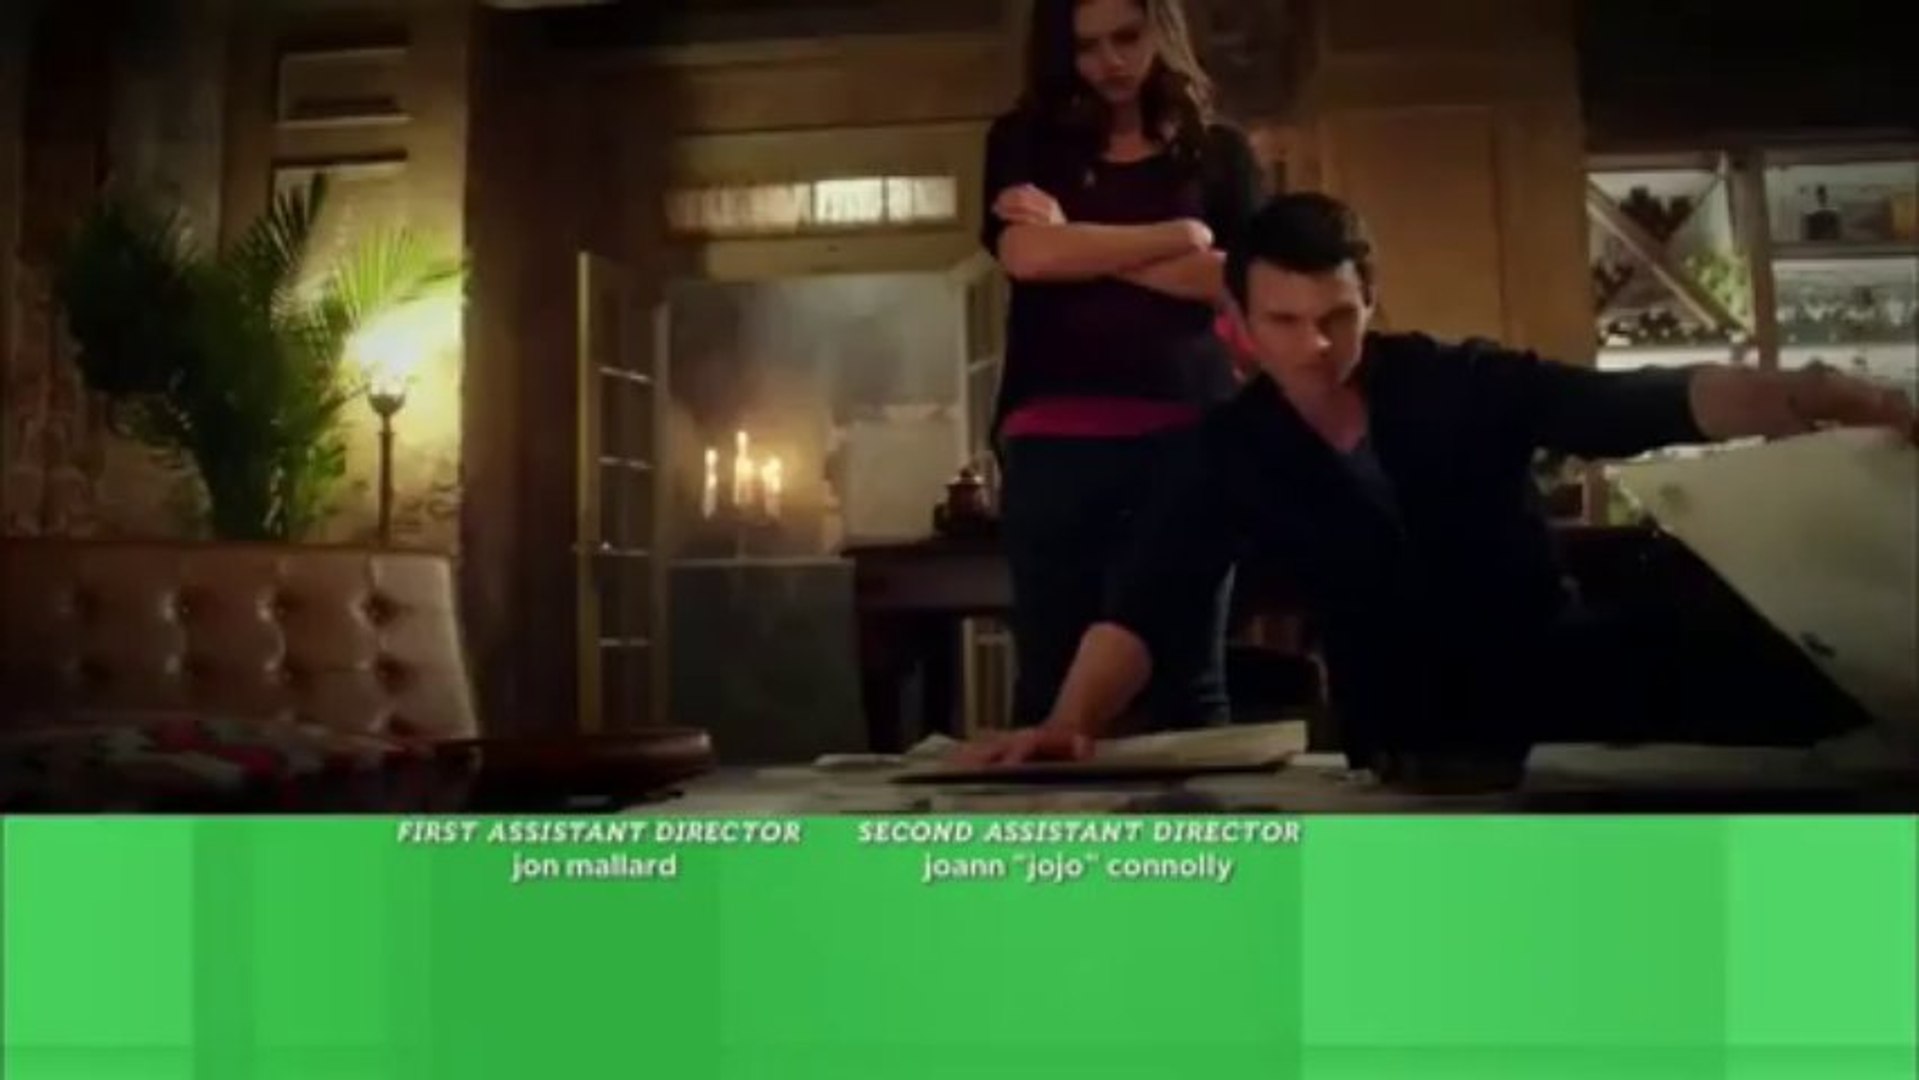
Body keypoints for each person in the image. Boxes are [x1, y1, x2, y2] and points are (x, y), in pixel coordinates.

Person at [960, 192, 1916, 787]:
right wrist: (1069, 723)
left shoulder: (1456, 380)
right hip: (1402, 744)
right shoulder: (1229, 447)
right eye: (1284, 322)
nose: (1315, 345)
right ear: (1239, 324)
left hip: (1558, 700)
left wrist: (1809, 391)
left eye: (1338, 316)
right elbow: (1145, 599)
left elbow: (1635, 404)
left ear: (1370, 299)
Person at [982, 0, 1266, 734]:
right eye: (1086, 47)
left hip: (1190, 435)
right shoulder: (1025, 141)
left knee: (1188, 678)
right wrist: (1178, 235)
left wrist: (1076, 242)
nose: (1108, 61)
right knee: (1053, 683)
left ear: (1161, 32)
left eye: (1126, 38)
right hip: (1053, 437)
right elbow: (1027, 257)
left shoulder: (1219, 152)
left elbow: (1233, 280)